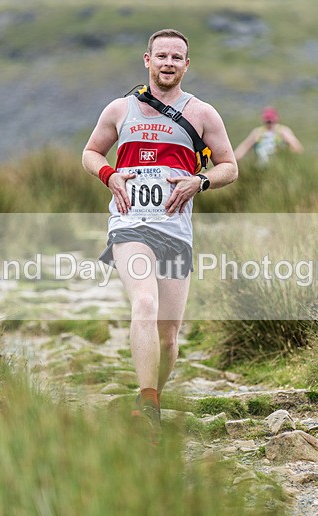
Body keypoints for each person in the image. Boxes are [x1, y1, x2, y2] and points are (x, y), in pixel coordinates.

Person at [82, 28, 237, 442]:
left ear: (186, 65)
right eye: (161, 56)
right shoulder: (120, 109)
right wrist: (109, 174)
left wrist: (199, 182)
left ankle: (150, 397)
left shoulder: (202, 113)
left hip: (174, 230)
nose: (168, 63)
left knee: (168, 338)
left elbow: (229, 166)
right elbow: (90, 152)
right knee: (145, 303)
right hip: (130, 225)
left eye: (176, 57)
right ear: (147, 60)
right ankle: (148, 408)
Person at [234, 106, 303, 165]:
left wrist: (288, 141)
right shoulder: (257, 133)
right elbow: (241, 150)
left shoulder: (283, 131)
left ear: (276, 119)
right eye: (268, 121)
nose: (270, 123)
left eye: (271, 121)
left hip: (280, 166)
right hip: (262, 168)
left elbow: (298, 149)